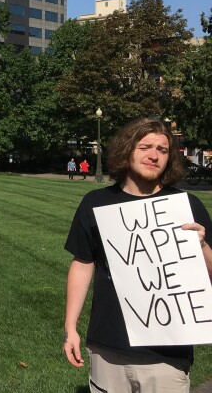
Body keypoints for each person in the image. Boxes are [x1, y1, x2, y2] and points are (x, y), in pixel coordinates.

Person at [63, 117, 212, 392]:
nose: (154, 155)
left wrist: (201, 247)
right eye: (145, 147)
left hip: (166, 354)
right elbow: (82, 264)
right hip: (108, 348)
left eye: (163, 150)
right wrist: (70, 327)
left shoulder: (186, 206)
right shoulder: (95, 203)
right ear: (127, 150)